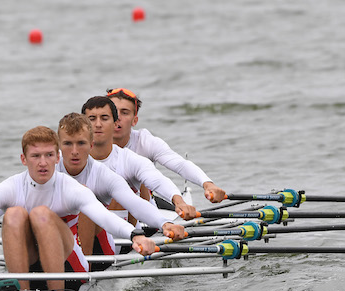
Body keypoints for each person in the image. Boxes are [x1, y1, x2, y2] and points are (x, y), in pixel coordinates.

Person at [0, 126, 157, 291]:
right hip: (32, 262)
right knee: (14, 214)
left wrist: (135, 236)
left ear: (57, 158)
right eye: (36, 156)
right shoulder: (11, 187)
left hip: (71, 270)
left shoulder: (71, 188)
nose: (42, 163)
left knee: (40, 214)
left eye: (49, 155)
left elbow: (103, 216)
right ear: (23, 159)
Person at [56, 112, 187, 257]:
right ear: (58, 146)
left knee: (82, 194)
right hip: (59, 239)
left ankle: (84, 271)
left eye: (81, 143)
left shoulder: (104, 175)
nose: (74, 151)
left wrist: (164, 223)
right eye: (68, 144)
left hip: (98, 250)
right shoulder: (47, 171)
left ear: (91, 145)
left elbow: (134, 204)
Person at [81, 96, 198, 222]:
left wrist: (178, 201)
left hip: (129, 228)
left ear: (115, 124)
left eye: (104, 118)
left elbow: (158, 180)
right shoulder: (69, 157)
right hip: (87, 227)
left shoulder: (130, 158)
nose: (98, 124)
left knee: (120, 188)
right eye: (92, 119)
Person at [106, 87, 227, 203]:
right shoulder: (90, 143)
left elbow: (180, 165)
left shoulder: (145, 142)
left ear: (134, 121)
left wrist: (207, 184)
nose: (118, 117)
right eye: (114, 112)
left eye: (125, 112)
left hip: (141, 206)